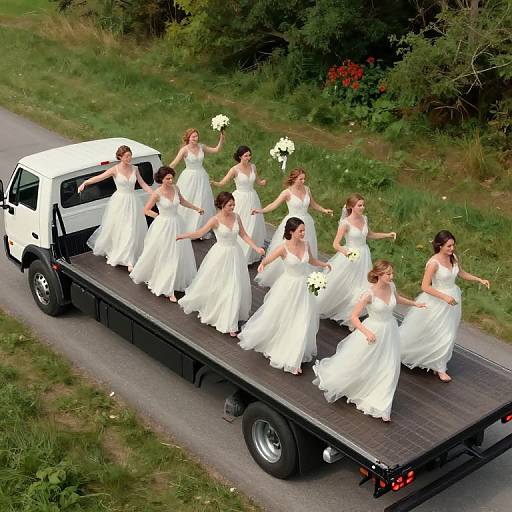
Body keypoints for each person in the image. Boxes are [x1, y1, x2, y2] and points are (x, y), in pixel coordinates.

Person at [313, 260, 426, 422]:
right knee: (362, 362)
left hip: (390, 331)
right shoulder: (368, 294)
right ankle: (349, 383)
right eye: (388, 274)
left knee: (389, 366)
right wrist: (367, 333)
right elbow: (353, 316)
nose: (391, 276)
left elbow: (398, 299)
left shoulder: (391, 287)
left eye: (392, 273)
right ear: (379, 275)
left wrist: (415, 303)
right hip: (373, 331)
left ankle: (382, 406)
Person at [238, 217, 331, 375]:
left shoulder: (306, 244)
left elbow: (312, 260)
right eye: (300, 230)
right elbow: (269, 258)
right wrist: (262, 264)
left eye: (304, 230)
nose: (303, 233)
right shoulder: (283, 248)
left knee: (302, 320)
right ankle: (279, 345)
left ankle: (295, 358)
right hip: (288, 287)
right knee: (284, 316)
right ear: (291, 232)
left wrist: (323, 264)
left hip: (304, 288)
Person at [400, 230, 490, 382]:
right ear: (439, 246)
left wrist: (479, 279)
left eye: (453, 245)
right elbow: (425, 286)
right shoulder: (433, 263)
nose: (452, 249)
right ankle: (403, 351)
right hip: (436, 300)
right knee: (429, 331)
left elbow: (461, 273)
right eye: (448, 246)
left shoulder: (453, 258)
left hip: (452, 300)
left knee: (447, 334)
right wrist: (444, 297)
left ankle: (439, 367)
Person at [177, 192, 265, 336]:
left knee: (234, 286)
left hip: (235, 255)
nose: (233, 207)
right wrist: (184, 235)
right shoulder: (215, 220)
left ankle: (231, 321)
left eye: (233, 204)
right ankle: (217, 311)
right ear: (222, 205)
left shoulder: (236, 217)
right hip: (220, 256)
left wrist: (256, 248)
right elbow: (199, 233)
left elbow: (243, 235)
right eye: (230, 205)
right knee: (219, 284)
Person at [317, 193, 396, 326]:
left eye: (363, 205)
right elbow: (336, 244)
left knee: (361, 284)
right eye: (359, 205)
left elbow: (370, 234)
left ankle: (350, 316)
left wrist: (387, 234)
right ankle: (326, 305)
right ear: (351, 207)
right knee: (342, 282)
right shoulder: (345, 223)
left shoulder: (364, 219)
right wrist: (346, 252)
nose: (362, 207)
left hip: (364, 255)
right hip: (350, 256)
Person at [129, 166, 203, 302]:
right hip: (163, 226)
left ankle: (176, 282)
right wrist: (158, 216)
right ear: (161, 180)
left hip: (177, 224)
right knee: (166, 254)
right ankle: (167, 288)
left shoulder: (176, 189)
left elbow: (182, 201)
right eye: (167, 178)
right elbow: (146, 209)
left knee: (179, 253)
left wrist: (196, 208)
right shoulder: (157, 193)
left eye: (171, 177)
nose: (170, 180)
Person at [252, 168, 333, 287]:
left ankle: (305, 275)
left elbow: (313, 204)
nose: (303, 181)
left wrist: (324, 210)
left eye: (304, 178)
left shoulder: (307, 189)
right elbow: (274, 205)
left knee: (305, 249)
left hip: (305, 224)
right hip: (292, 224)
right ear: (294, 179)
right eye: (301, 179)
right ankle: (284, 276)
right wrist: (260, 210)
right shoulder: (287, 192)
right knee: (288, 250)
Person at [78, 145, 152, 271]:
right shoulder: (115, 170)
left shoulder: (135, 169)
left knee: (132, 228)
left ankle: (130, 260)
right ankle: (122, 254)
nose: (129, 158)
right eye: (126, 156)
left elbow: (143, 184)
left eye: (130, 155)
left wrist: (154, 193)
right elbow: (99, 178)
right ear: (120, 157)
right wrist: (85, 183)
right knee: (121, 228)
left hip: (133, 201)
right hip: (119, 202)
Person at [212, 145, 266, 264]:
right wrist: (215, 183)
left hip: (252, 197)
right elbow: (223, 182)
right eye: (246, 155)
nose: (248, 157)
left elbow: (257, 180)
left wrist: (262, 182)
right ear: (240, 156)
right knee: (241, 225)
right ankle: (238, 253)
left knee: (253, 224)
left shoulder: (253, 167)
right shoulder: (234, 169)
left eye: (249, 155)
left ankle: (251, 254)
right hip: (240, 198)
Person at [168, 128, 224, 236]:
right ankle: (185, 227)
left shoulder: (201, 147)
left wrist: (221, 139)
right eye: (193, 136)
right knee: (188, 198)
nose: (195, 138)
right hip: (189, 177)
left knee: (202, 199)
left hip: (201, 176)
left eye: (196, 136)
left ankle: (201, 228)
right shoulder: (184, 150)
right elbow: (174, 163)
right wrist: (164, 173)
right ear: (188, 138)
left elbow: (216, 150)